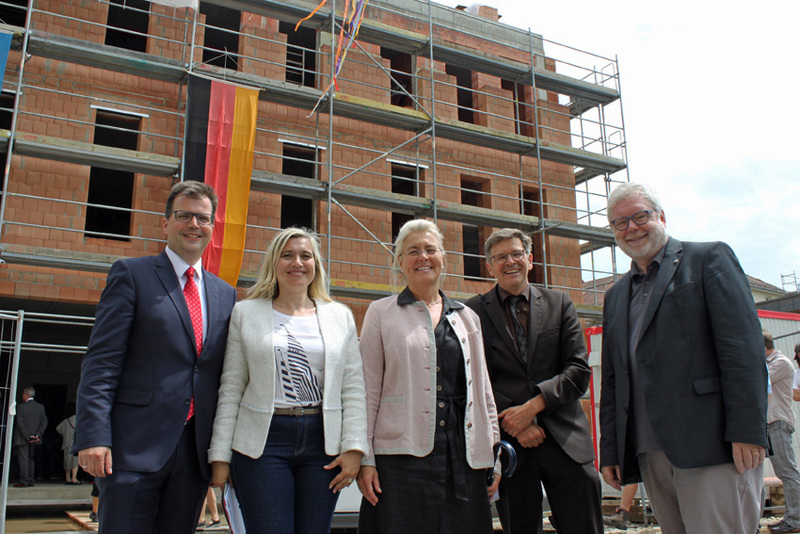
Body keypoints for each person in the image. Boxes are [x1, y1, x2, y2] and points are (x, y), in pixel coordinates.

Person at [599, 182, 768, 534]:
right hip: (649, 451)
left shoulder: (707, 260)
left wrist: (747, 430)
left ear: (661, 216)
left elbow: (742, 350)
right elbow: (614, 378)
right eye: (620, 223)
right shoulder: (615, 296)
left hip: (712, 444)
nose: (631, 228)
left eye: (640, 216)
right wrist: (612, 450)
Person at [72, 181, 237, 534]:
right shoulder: (132, 275)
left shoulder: (225, 294)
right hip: (132, 449)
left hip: (193, 454)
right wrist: (92, 435)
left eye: (203, 218)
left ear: (212, 227)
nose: (195, 224)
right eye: (184, 216)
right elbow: (101, 362)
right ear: (165, 223)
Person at [209, 227, 367, 534]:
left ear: (316, 265)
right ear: (274, 263)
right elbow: (231, 387)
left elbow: (353, 388)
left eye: (306, 255)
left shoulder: (340, 316)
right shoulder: (245, 313)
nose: (298, 262)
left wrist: (354, 448)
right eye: (287, 255)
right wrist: (220, 456)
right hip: (262, 445)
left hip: (324, 445)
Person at [357, 218, 500, 533]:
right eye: (412, 251)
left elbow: (484, 392)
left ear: (443, 259)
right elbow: (367, 391)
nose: (423, 257)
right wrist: (365, 457)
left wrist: (495, 452)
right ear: (400, 263)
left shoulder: (468, 318)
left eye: (430, 249)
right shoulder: (380, 313)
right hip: (399, 458)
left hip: (463, 455)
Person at [465, 228, 602, 534]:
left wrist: (533, 408)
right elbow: (474, 376)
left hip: (565, 438)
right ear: (489, 267)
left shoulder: (560, 303)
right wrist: (517, 419)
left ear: (529, 259)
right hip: (510, 442)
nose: (509, 261)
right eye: (500, 257)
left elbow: (578, 368)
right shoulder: (472, 312)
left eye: (516, 254)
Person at [764, 330, 800, 533]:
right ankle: (791, 517)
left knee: (788, 472)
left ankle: (795, 520)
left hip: (778, 422)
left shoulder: (780, 363)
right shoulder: (773, 363)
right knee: (783, 472)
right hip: (771, 422)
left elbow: (759, 379)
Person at [13, 386, 48, 488]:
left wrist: (27, 436)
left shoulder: (21, 407)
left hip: (23, 438)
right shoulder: (41, 407)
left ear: (25, 394)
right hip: (36, 438)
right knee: (30, 459)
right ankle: (31, 480)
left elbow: (20, 423)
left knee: (23, 459)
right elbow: (44, 422)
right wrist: (38, 434)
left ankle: (24, 481)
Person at [55, 402, 79, 485]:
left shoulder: (66, 421)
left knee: (67, 461)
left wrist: (64, 434)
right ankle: (74, 478)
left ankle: (67, 478)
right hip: (75, 443)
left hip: (66, 443)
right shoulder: (78, 419)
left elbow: (58, 428)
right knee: (75, 462)